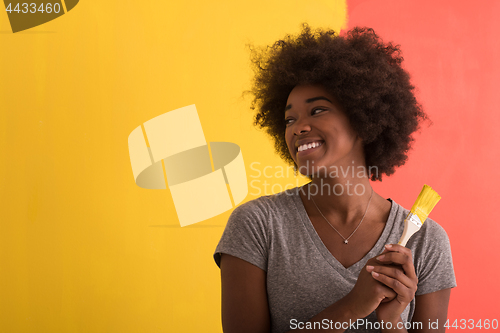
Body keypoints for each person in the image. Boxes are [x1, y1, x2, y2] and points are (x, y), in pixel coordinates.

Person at [213, 23, 456, 333]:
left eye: (317, 111)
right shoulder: (258, 225)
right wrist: (353, 306)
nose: (298, 127)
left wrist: (391, 322)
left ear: (362, 118)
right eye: (289, 118)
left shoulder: (426, 241)